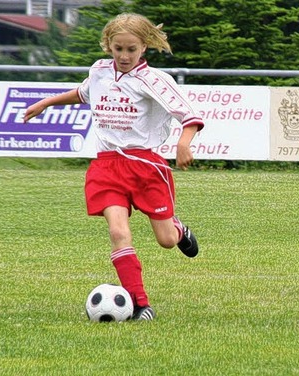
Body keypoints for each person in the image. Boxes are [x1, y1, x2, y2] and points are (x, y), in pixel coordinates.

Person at [23, 13, 203, 321]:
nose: (123, 56)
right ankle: (140, 303)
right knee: (119, 232)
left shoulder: (153, 81)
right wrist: (46, 103)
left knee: (166, 241)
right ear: (108, 45)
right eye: (118, 48)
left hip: (145, 167)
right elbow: (82, 94)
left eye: (131, 49)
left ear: (144, 47)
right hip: (106, 166)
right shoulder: (100, 71)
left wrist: (184, 143)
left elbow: (189, 117)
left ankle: (178, 229)